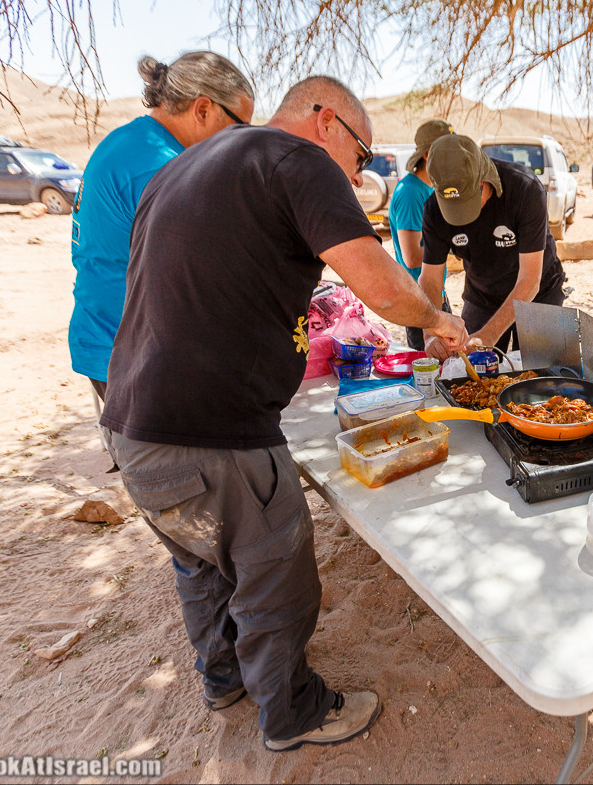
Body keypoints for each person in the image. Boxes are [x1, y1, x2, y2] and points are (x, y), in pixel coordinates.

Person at [98, 75, 468, 751]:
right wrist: (439, 320)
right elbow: (380, 283)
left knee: (202, 559)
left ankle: (223, 679)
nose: (358, 178)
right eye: (361, 157)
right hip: (216, 430)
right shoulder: (295, 158)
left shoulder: (181, 169)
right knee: (277, 570)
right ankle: (293, 712)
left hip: (132, 424)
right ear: (325, 121)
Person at [68, 52, 255, 400]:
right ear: (202, 110)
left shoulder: (130, 141)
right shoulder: (161, 166)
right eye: (239, 127)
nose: (241, 141)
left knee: (133, 453)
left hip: (105, 334)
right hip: (134, 352)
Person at [417, 133, 567, 358]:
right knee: (470, 370)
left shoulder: (524, 189)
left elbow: (530, 279)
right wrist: (430, 333)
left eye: (467, 203)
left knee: (542, 372)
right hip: (483, 295)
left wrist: (488, 334)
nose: (464, 219)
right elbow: (430, 278)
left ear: (482, 180)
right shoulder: (433, 210)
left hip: (539, 294)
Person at [388, 118, 454, 350]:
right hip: (418, 302)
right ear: (428, 155)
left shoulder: (429, 189)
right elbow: (412, 256)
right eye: (448, 151)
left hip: (435, 296)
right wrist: (449, 244)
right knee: (428, 373)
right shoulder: (410, 192)